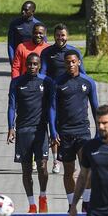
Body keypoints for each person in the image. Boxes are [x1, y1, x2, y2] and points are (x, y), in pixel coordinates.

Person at [49, 50, 98, 212]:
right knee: (68, 171)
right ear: (64, 63)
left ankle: (87, 203)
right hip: (65, 134)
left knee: (87, 169)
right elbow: (52, 109)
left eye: (73, 61)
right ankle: (72, 204)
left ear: (79, 62)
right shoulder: (58, 83)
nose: (70, 64)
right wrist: (53, 132)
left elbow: (96, 108)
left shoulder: (88, 82)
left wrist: (99, 132)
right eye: (67, 62)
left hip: (83, 132)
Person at [7, 53, 52, 213]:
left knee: (42, 166)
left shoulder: (46, 82)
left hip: (40, 130)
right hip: (23, 131)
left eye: (35, 64)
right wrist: (11, 127)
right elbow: (12, 106)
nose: (32, 66)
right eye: (30, 64)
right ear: (26, 65)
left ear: (39, 65)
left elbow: (52, 108)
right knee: (26, 170)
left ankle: (43, 196)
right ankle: (32, 204)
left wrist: (53, 132)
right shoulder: (17, 83)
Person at [40, 23, 86, 174]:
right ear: (54, 36)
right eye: (58, 35)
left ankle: (72, 158)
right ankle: (55, 160)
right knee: (54, 125)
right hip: (54, 93)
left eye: (63, 35)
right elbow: (44, 72)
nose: (60, 38)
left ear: (68, 36)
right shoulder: (47, 52)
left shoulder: (74, 52)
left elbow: (83, 74)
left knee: (67, 125)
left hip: (71, 93)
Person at [7, 0, 46, 65]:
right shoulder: (14, 24)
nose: (23, 12)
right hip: (19, 57)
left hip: (35, 60)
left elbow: (44, 44)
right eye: (22, 9)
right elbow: (11, 44)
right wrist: (12, 60)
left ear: (32, 12)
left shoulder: (39, 25)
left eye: (26, 10)